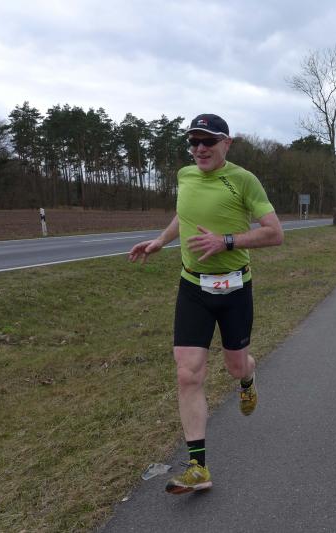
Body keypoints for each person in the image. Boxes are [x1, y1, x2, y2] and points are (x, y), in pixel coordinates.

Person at [128, 113, 283, 495]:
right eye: (193, 142)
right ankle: (198, 466)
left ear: (226, 143)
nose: (199, 148)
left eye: (208, 141)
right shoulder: (185, 176)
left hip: (234, 288)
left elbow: (274, 233)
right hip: (193, 287)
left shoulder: (243, 180)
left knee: (235, 366)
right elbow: (184, 216)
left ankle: (247, 378)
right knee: (188, 373)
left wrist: (225, 241)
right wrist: (160, 241)